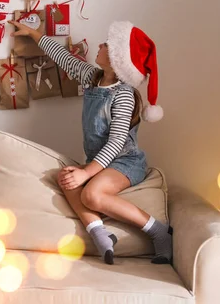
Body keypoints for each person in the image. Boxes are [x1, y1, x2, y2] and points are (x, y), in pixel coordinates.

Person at [9, 20, 171, 265]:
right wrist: (34, 34)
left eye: (107, 45)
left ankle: (159, 232)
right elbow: (64, 58)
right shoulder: (92, 78)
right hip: (99, 161)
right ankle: (100, 232)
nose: (100, 45)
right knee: (65, 177)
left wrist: (87, 174)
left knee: (92, 195)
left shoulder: (124, 95)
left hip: (124, 162)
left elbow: (116, 142)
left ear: (118, 59)